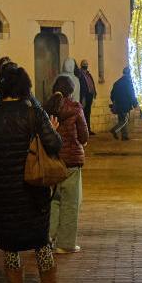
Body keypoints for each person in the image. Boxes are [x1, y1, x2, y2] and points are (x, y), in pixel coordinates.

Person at [0, 64, 65, 283]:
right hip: (33, 191)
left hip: (2, 196)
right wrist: (54, 131)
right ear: (25, 87)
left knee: (11, 247)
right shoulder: (34, 114)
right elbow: (54, 144)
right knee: (41, 244)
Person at [44, 75, 89, 254]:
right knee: (71, 201)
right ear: (71, 91)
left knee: (54, 200)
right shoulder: (75, 108)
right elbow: (84, 135)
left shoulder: (47, 107)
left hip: (53, 160)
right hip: (71, 161)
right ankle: (65, 243)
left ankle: (47, 236)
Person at [109, 66, 137, 140]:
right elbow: (131, 94)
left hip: (118, 105)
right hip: (125, 105)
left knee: (121, 120)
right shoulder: (128, 83)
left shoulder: (117, 82)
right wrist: (134, 103)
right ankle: (114, 130)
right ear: (129, 74)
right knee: (125, 120)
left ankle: (124, 136)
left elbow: (112, 94)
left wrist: (115, 102)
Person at [75, 59, 97, 125]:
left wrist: (94, 92)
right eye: (84, 64)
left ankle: (88, 129)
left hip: (89, 96)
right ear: (81, 66)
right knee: (83, 113)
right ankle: (84, 129)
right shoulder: (79, 75)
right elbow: (81, 86)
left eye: (86, 64)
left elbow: (91, 83)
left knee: (88, 112)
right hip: (83, 96)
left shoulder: (88, 74)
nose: (85, 66)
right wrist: (83, 97)